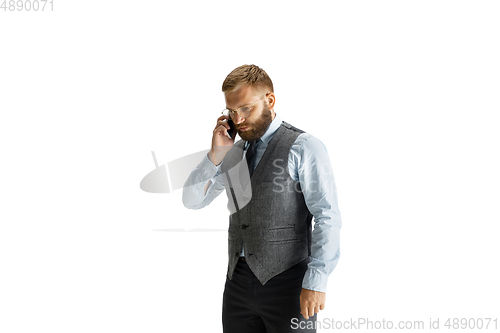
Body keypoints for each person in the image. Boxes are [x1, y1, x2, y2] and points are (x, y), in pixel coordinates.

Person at [182, 64, 342, 333]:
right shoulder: (234, 152)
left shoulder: (304, 146)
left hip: (289, 282)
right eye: (232, 111)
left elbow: (327, 215)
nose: (239, 119)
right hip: (238, 283)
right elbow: (193, 200)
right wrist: (215, 155)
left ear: (269, 100)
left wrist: (316, 280)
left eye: (245, 108)